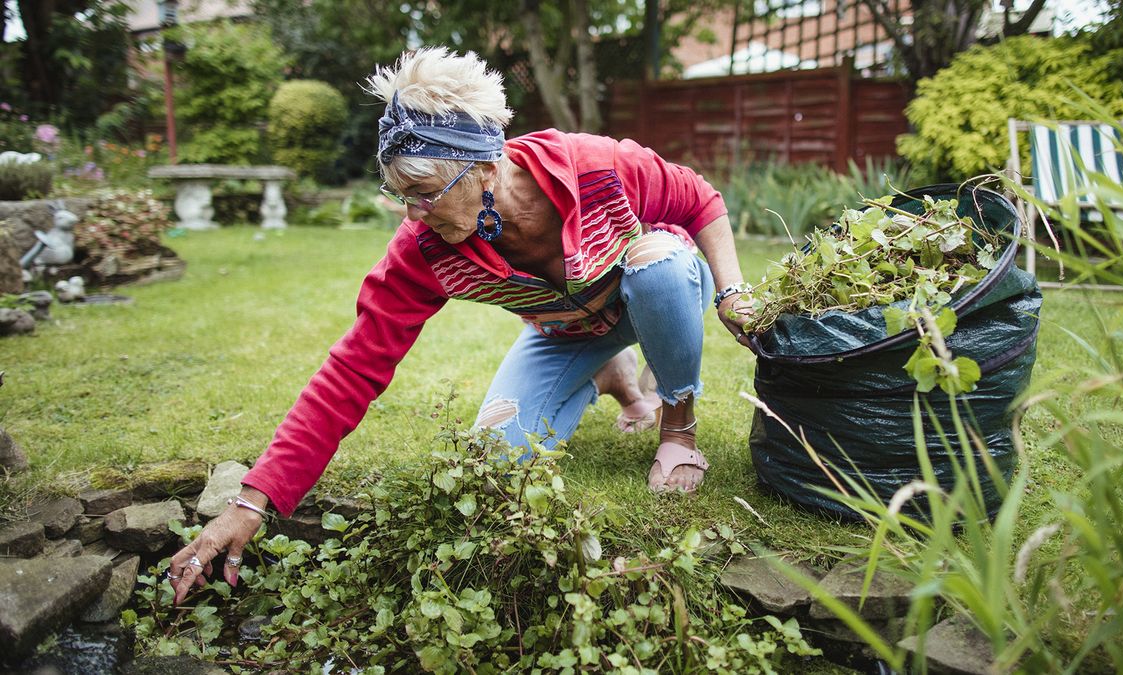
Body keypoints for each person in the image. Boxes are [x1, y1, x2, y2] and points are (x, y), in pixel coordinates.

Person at [167, 47, 754, 604]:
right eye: (399, 195)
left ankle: (677, 426)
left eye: (423, 193)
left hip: (653, 290)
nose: (412, 214)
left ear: (484, 168)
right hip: (567, 329)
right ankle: (614, 376)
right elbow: (353, 367)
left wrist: (731, 291)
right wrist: (254, 499)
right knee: (494, 464)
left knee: (661, 267)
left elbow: (700, 200)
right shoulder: (423, 247)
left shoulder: (594, 165)